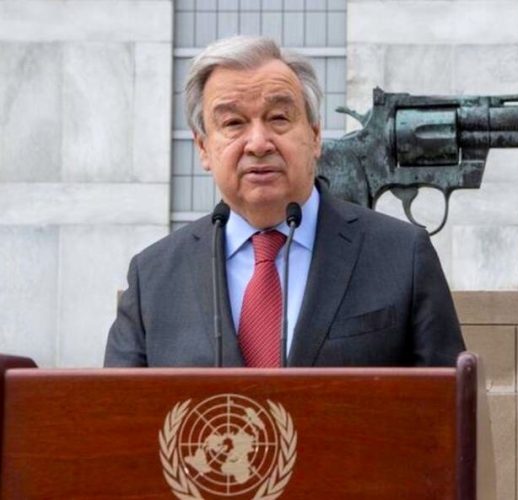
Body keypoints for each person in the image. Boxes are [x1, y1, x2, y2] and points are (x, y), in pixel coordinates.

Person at [104, 36, 464, 368]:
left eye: (278, 118)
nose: (259, 143)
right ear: (203, 148)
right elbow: (113, 411)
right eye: (233, 123)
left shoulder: (402, 256)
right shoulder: (153, 277)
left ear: (315, 135)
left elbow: (451, 407)